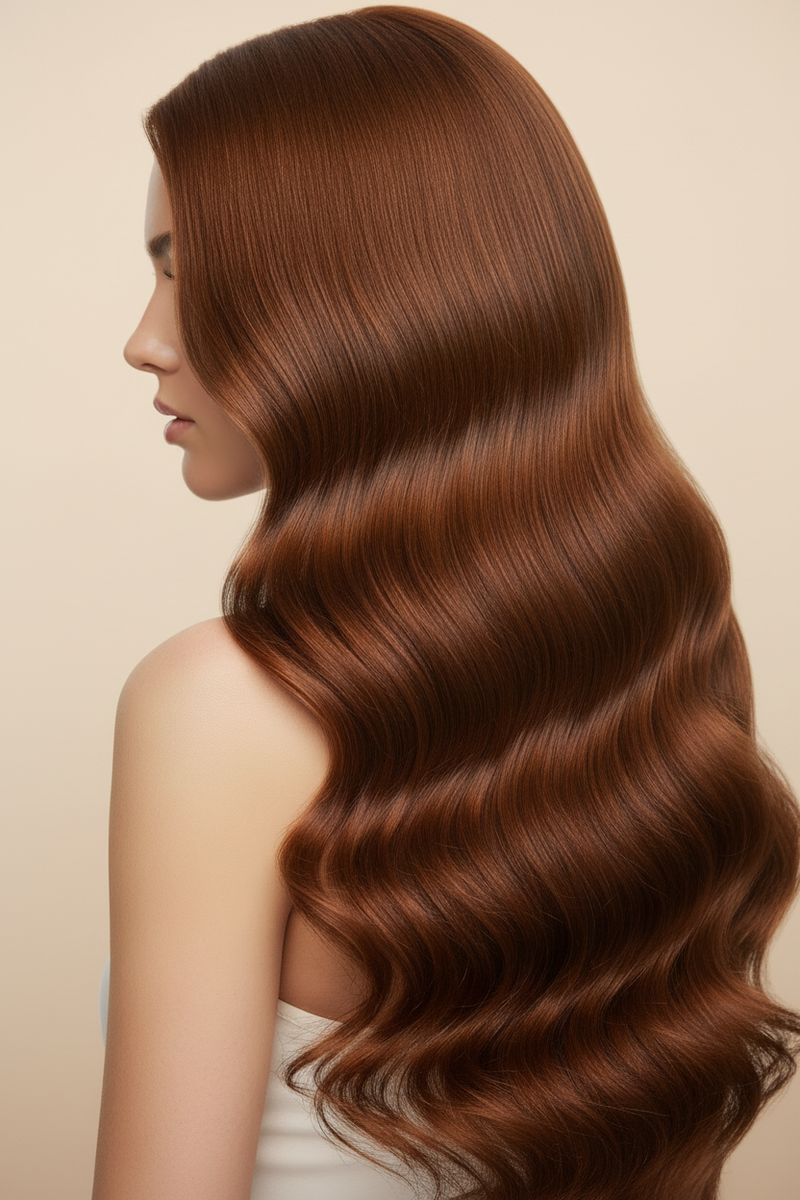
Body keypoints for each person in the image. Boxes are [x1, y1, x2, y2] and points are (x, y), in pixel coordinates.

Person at [91, 7, 800, 1199]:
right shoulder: (671, 654)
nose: (141, 341)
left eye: (186, 273)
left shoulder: (218, 705)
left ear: (352, 298)